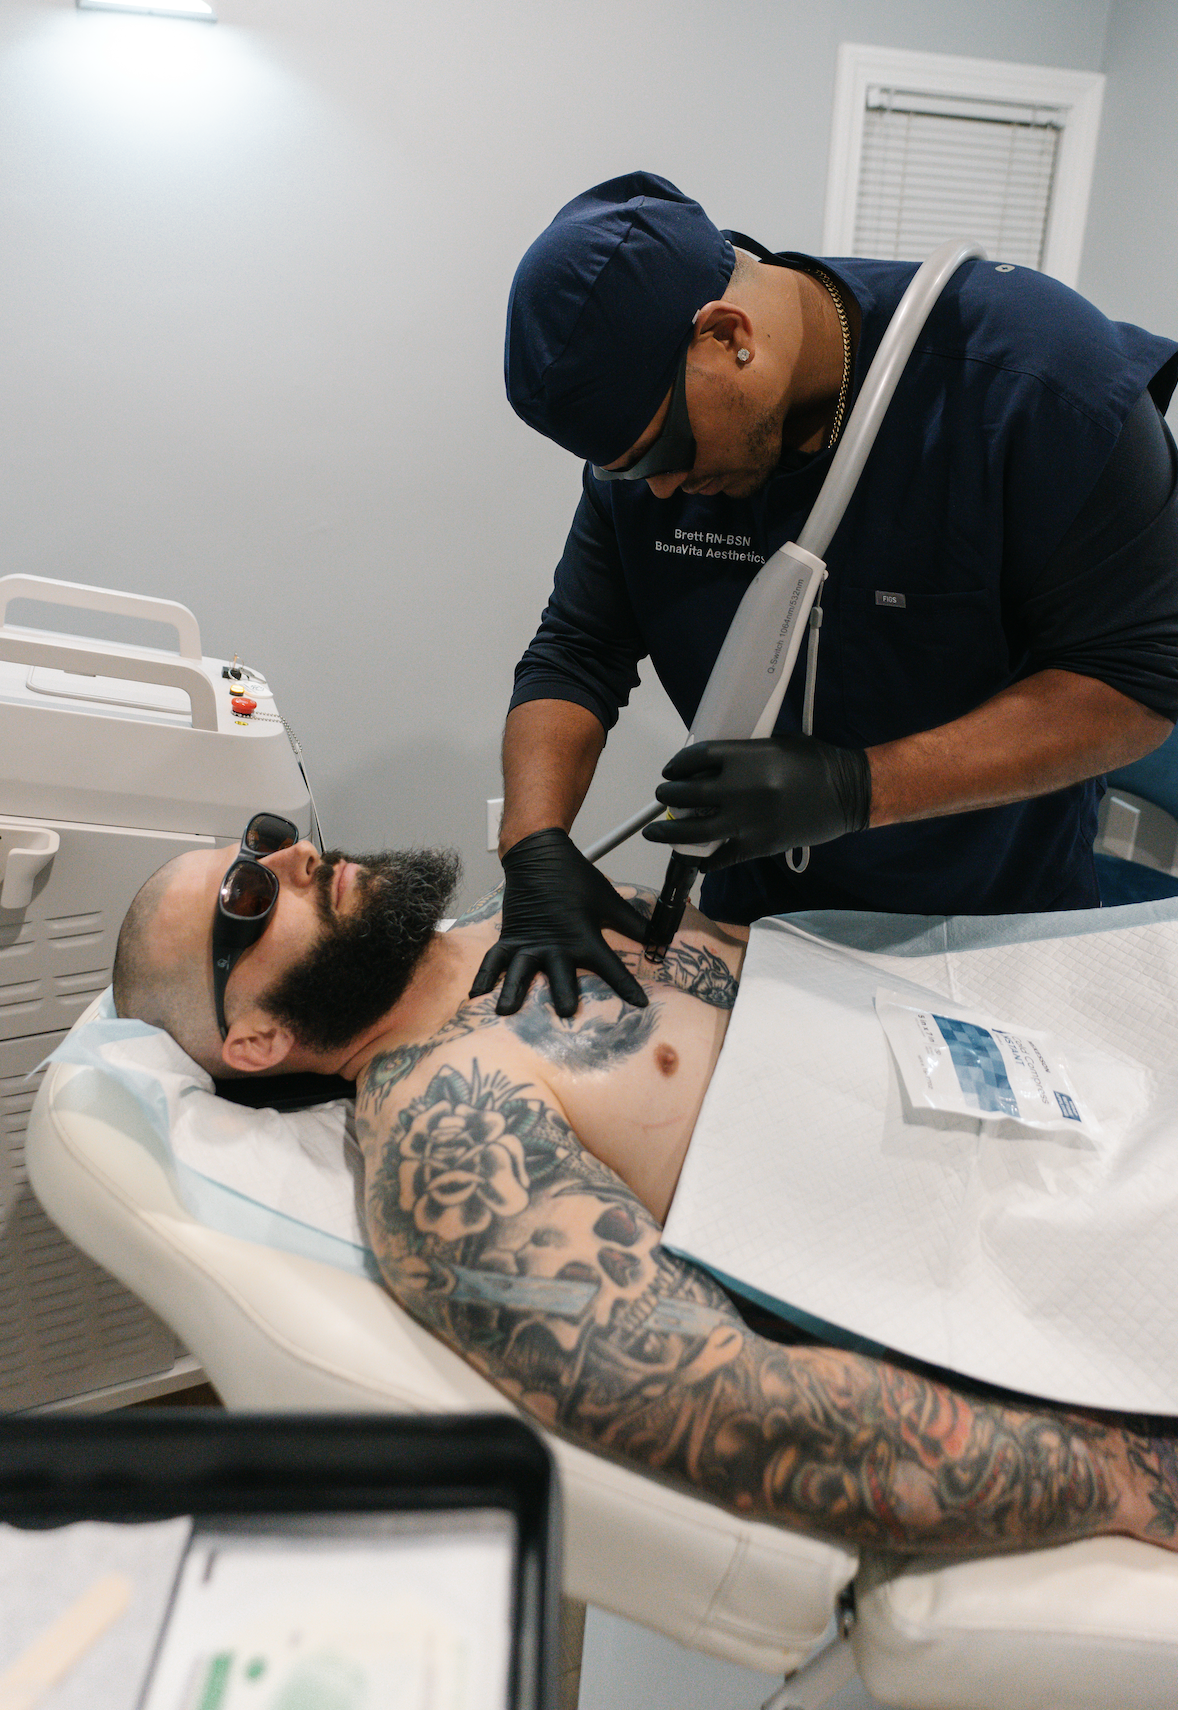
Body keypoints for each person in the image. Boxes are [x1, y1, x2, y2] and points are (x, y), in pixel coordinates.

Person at [112, 819, 1178, 1560]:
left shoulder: (514, 913)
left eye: (260, 841)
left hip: (1076, 1061)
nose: (290, 855)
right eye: (247, 897)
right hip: (1060, 1241)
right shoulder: (447, 1132)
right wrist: (1124, 1479)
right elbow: (737, 1406)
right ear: (255, 1039)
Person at [474, 172, 1178, 1021]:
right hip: (758, 933)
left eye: (662, 453)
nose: (656, 491)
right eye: (623, 471)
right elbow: (576, 651)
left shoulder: (1038, 385)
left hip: (989, 936)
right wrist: (533, 843)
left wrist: (857, 787)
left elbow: (1135, 687)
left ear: (729, 335)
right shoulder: (652, 445)